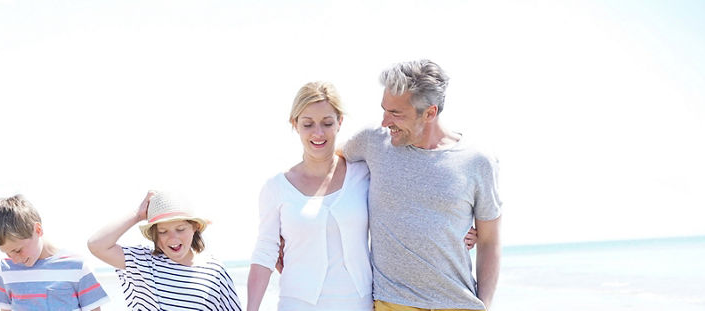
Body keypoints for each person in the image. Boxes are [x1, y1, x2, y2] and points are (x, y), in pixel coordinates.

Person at [342, 60, 502, 311]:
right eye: (384, 109)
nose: (385, 121)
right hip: (393, 303)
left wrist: (486, 305)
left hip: (460, 303)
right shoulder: (372, 142)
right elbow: (323, 169)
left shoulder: (477, 160)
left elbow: (491, 241)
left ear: (429, 113)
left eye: (396, 113)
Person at [246, 82, 374, 311]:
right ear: (294, 124)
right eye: (308, 124)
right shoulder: (276, 187)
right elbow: (265, 252)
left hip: (358, 303)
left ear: (340, 122)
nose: (318, 133)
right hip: (297, 304)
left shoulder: (364, 174)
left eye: (327, 123)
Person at [88, 191, 243, 311]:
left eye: (180, 229)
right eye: (163, 232)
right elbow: (96, 245)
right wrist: (137, 215)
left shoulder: (214, 271)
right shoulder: (142, 262)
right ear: (155, 234)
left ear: (195, 227)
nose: (172, 238)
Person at [0, 194, 111, 311]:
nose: (14, 259)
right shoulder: (5, 270)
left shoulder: (77, 266)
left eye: (18, 250)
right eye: (7, 253)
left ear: (38, 230)